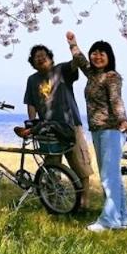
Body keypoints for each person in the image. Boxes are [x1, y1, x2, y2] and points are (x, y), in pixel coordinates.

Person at [67, 31, 127, 232]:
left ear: (109, 57)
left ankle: (108, 220)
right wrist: (73, 44)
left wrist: (122, 119)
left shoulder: (111, 76)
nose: (97, 56)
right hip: (97, 130)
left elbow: (116, 100)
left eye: (102, 53)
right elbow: (80, 60)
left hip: (110, 130)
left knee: (108, 177)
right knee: (112, 176)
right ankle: (121, 219)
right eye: (94, 52)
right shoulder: (93, 75)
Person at [20, 43, 94, 208]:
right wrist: (32, 124)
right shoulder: (32, 80)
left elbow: (75, 63)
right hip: (48, 129)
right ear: (32, 62)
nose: (40, 58)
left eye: (43, 54)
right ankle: (54, 203)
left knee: (81, 165)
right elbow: (31, 103)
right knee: (51, 167)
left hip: (71, 125)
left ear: (50, 58)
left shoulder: (61, 70)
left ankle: (84, 203)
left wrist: (73, 45)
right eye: (36, 56)